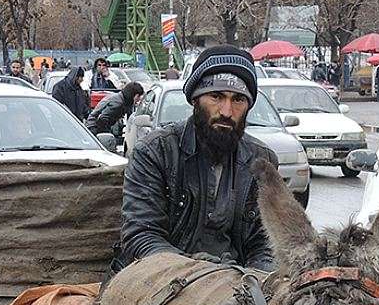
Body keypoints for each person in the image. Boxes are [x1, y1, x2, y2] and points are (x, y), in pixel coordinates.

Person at [115, 46, 276, 274]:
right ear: (195, 100)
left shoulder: (261, 161)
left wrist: (256, 281)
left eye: (238, 100)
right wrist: (201, 275)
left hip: (238, 286)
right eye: (216, 97)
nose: (227, 111)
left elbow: (265, 243)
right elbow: (142, 236)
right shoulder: (155, 152)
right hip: (163, 282)